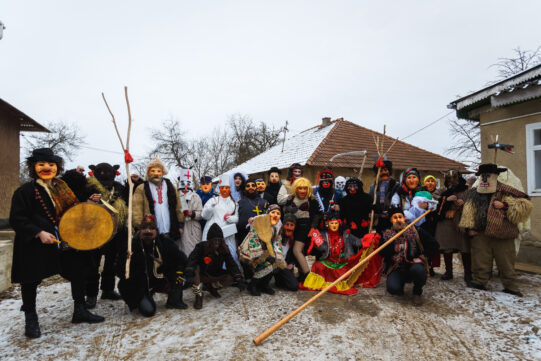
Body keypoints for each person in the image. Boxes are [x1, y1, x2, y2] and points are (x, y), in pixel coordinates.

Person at [10, 148, 104, 339]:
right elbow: (17, 219)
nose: (46, 167)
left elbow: (72, 211)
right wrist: (38, 232)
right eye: (41, 164)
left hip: (63, 241)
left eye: (51, 164)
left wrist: (88, 201)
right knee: (30, 280)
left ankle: (80, 311)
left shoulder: (62, 187)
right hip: (35, 243)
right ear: (33, 167)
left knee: (78, 269)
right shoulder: (25, 191)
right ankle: (31, 318)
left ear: (57, 167)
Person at [459, 164, 532, 297]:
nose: (485, 178)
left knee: (506, 263)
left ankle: (511, 286)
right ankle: (480, 281)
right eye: (483, 175)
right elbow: (468, 211)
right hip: (480, 233)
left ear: (496, 175)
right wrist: (469, 228)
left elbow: (525, 203)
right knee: (480, 260)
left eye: (488, 175)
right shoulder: (474, 192)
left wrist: (505, 205)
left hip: (503, 233)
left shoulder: (507, 191)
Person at [117, 215, 188, 317]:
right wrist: (125, 259)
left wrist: (179, 272)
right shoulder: (130, 246)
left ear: (156, 230)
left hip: (160, 280)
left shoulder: (164, 242)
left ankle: (174, 300)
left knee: (178, 274)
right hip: (140, 285)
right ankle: (142, 298)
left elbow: (182, 259)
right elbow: (119, 271)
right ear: (140, 230)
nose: (148, 231)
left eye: (151, 228)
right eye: (144, 228)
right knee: (149, 311)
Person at [85, 162, 128, 308]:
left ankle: (108, 289)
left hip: (115, 230)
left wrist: (135, 181)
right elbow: (79, 204)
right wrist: (90, 201)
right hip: (95, 231)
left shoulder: (119, 187)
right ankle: (91, 294)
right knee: (93, 263)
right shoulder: (89, 187)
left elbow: (129, 198)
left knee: (111, 262)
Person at [300, 213, 371, 295]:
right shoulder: (323, 234)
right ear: (328, 224)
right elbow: (322, 248)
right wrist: (316, 238)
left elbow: (358, 242)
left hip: (341, 264)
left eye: (336, 223)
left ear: (339, 224)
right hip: (328, 263)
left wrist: (369, 238)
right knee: (317, 266)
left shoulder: (346, 235)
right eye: (332, 223)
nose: (334, 225)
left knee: (349, 271)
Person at [379, 208, 438, 306]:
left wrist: (422, 257)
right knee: (393, 288)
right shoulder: (387, 234)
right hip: (396, 267)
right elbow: (381, 252)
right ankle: (400, 283)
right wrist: (395, 248)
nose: (398, 220)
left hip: (413, 265)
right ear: (391, 220)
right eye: (395, 218)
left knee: (419, 270)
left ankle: (417, 292)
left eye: (400, 217)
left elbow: (434, 245)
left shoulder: (416, 231)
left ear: (404, 218)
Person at [239, 205, 299, 296]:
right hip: (251, 252)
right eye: (273, 212)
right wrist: (263, 257)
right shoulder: (260, 223)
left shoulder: (277, 226)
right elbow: (253, 242)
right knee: (267, 264)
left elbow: (276, 242)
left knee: (274, 262)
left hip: (266, 251)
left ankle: (264, 285)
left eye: (278, 213)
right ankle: (253, 285)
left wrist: (277, 257)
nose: (275, 215)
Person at [184, 224, 246, 309]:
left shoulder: (223, 249)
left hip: (215, 273)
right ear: (209, 240)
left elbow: (231, 264)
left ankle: (212, 287)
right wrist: (189, 275)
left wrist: (239, 278)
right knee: (195, 268)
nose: (217, 242)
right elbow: (192, 260)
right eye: (214, 240)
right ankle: (199, 296)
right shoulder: (201, 247)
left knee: (232, 277)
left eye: (219, 240)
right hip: (201, 275)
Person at [133, 157, 184, 241]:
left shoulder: (171, 187)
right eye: (153, 171)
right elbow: (136, 210)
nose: (156, 174)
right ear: (148, 173)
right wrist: (139, 228)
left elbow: (178, 207)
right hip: (150, 231)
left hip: (170, 229)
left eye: (159, 171)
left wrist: (180, 225)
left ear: (163, 173)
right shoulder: (141, 188)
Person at [283, 177, 322, 281]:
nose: (302, 191)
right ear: (296, 188)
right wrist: (288, 210)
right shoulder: (291, 198)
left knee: (297, 250)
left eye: (305, 188)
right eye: (300, 188)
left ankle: (307, 275)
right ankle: (299, 274)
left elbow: (317, 215)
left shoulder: (311, 199)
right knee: (292, 250)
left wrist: (312, 228)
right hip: (292, 227)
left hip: (305, 227)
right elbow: (285, 211)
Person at [435, 170, 470, 282]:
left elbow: (472, 202)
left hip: (461, 220)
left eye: (454, 178)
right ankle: (449, 272)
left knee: (464, 246)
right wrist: (445, 199)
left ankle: (468, 273)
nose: (452, 180)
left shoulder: (466, 190)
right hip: (446, 221)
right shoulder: (443, 190)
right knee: (447, 247)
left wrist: (464, 202)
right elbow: (434, 197)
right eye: (449, 178)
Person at [201, 174, 241, 270]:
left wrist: (232, 219)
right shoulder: (213, 200)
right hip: (213, 232)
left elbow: (237, 218)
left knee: (228, 253)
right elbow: (204, 216)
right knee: (212, 254)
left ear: (229, 189)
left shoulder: (234, 203)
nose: (224, 190)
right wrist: (210, 208)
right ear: (219, 189)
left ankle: (229, 274)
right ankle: (212, 275)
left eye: (226, 188)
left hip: (228, 234)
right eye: (222, 188)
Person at [369, 157, 400, 232]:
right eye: (381, 171)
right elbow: (371, 201)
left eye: (385, 170)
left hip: (392, 218)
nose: (383, 172)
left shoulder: (396, 185)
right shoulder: (374, 187)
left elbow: (397, 202)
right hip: (379, 219)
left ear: (389, 171)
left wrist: (390, 212)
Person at [177, 169, 203, 257]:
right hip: (179, 228)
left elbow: (201, 214)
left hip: (193, 229)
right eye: (183, 183)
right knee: (180, 253)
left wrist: (193, 214)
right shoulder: (175, 196)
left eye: (188, 184)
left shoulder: (196, 197)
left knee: (193, 253)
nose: (185, 187)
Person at [339, 177, 372, 244]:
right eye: (350, 186)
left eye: (355, 186)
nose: (352, 189)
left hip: (364, 228)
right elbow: (342, 215)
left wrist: (373, 208)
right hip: (350, 229)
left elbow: (373, 210)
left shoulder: (367, 198)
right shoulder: (344, 200)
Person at [236, 178, 269, 246]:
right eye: (248, 186)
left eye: (253, 185)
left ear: (256, 187)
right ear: (245, 188)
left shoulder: (264, 202)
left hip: (261, 237)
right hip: (243, 237)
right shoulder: (240, 203)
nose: (251, 187)